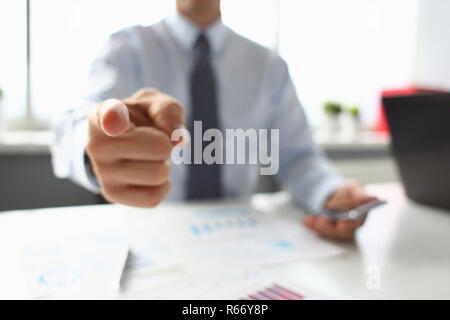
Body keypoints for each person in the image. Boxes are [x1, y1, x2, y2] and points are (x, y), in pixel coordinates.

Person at [52, 0, 376, 241]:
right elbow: (73, 128)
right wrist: (93, 150)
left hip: (243, 239)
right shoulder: (126, 50)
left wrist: (329, 191)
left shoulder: (269, 66)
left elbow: (298, 157)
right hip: (150, 236)